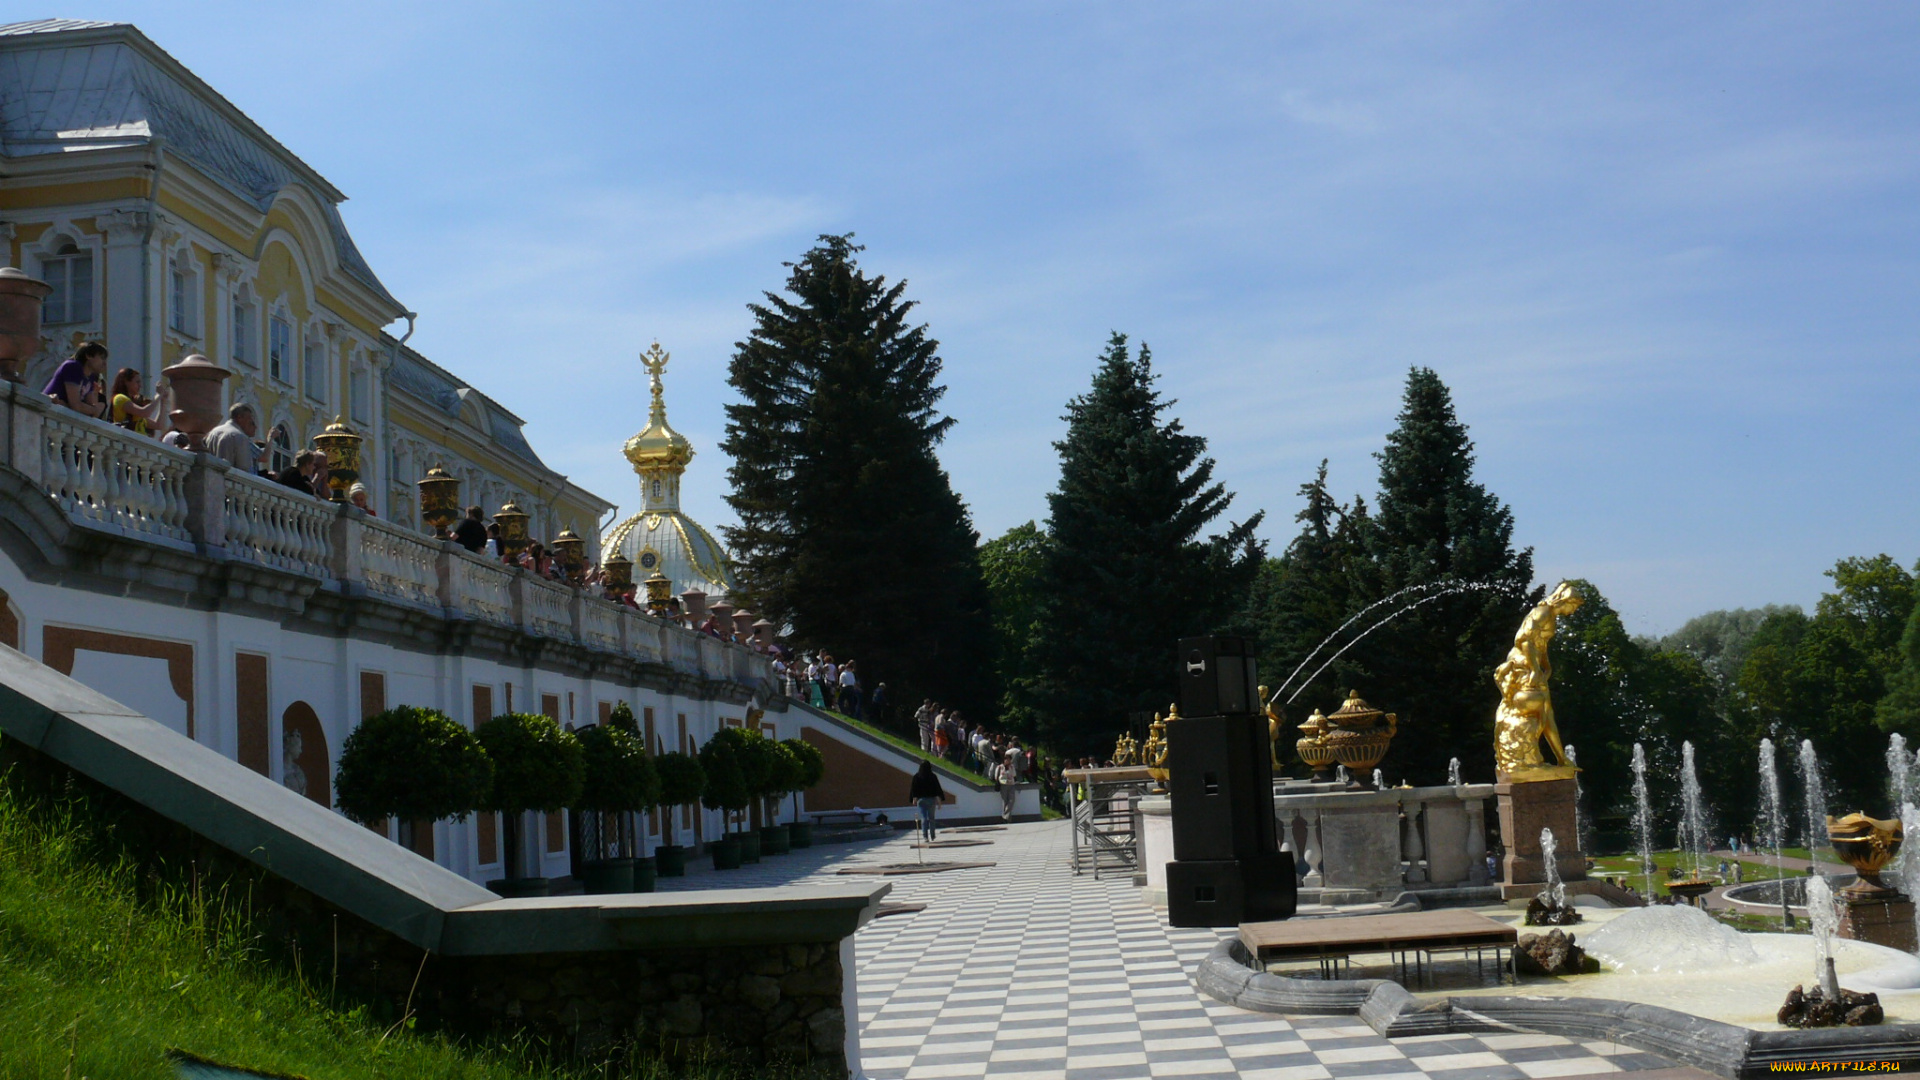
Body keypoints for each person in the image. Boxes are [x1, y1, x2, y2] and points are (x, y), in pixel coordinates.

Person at [43, 341, 109, 418]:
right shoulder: (73, 367)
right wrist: (94, 409)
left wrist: (93, 409)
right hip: (48, 414)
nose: (105, 363)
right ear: (88, 355)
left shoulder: (91, 377)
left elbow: (90, 413)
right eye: (102, 358)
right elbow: (76, 406)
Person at [205, 402, 266, 475]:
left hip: (210, 480)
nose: (250, 422)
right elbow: (244, 470)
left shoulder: (212, 432)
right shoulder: (240, 437)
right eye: (249, 419)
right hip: (228, 482)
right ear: (240, 417)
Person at [108, 367, 167, 436]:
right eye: (137, 382)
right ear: (126, 382)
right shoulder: (120, 398)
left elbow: (158, 425)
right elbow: (145, 412)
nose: (140, 386)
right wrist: (158, 395)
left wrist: (163, 401)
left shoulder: (133, 406)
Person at [909, 759, 946, 842]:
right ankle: (932, 835)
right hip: (931, 800)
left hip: (921, 800)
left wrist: (914, 799)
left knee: (924, 818)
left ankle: (925, 836)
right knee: (931, 818)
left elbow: (914, 789)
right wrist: (939, 802)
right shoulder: (933, 776)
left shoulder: (917, 776)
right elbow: (937, 790)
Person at [995, 750, 1019, 822]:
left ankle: (1005, 815)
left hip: (1011, 785)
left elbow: (1014, 775)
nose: (1008, 761)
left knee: (1011, 801)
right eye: (1007, 759)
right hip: (1003, 786)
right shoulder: (1000, 767)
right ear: (1004, 760)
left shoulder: (1012, 767)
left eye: (1009, 759)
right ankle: (1007, 818)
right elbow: (996, 777)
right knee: (1004, 801)